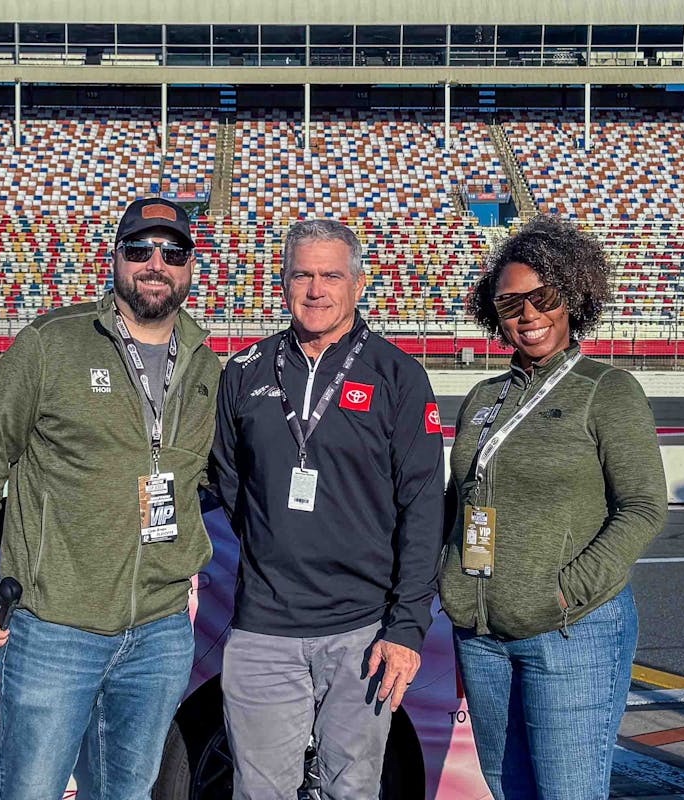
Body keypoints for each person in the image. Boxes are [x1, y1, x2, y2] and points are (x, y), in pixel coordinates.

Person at [0, 197, 221, 799]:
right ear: (115, 258)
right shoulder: (53, 343)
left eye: (172, 251)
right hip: (54, 627)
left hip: (159, 630)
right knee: (30, 790)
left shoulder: (208, 367)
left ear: (190, 268)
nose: (156, 262)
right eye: (139, 248)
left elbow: (221, 479)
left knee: (126, 792)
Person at [210, 218, 445, 799]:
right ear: (283, 283)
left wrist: (407, 627)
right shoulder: (244, 371)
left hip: (363, 632)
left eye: (330, 275)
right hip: (263, 629)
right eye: (302, 275)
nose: (316, 290)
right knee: (260, 791)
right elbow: (231, 484)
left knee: (353, 790)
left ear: (358, 283)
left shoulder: (399, 376)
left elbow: (422, 510)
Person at [440, 215, 667, 800]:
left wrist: (566, 590)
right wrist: (451, 583)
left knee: (568, 791)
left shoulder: (606, 389)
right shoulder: (482, 398)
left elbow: (642, 507)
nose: (528, 315)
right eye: (510, 303)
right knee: (507, 788)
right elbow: (458, 500)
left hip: (571, 633)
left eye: (543, 297)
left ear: (572, 295)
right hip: (483, 636)